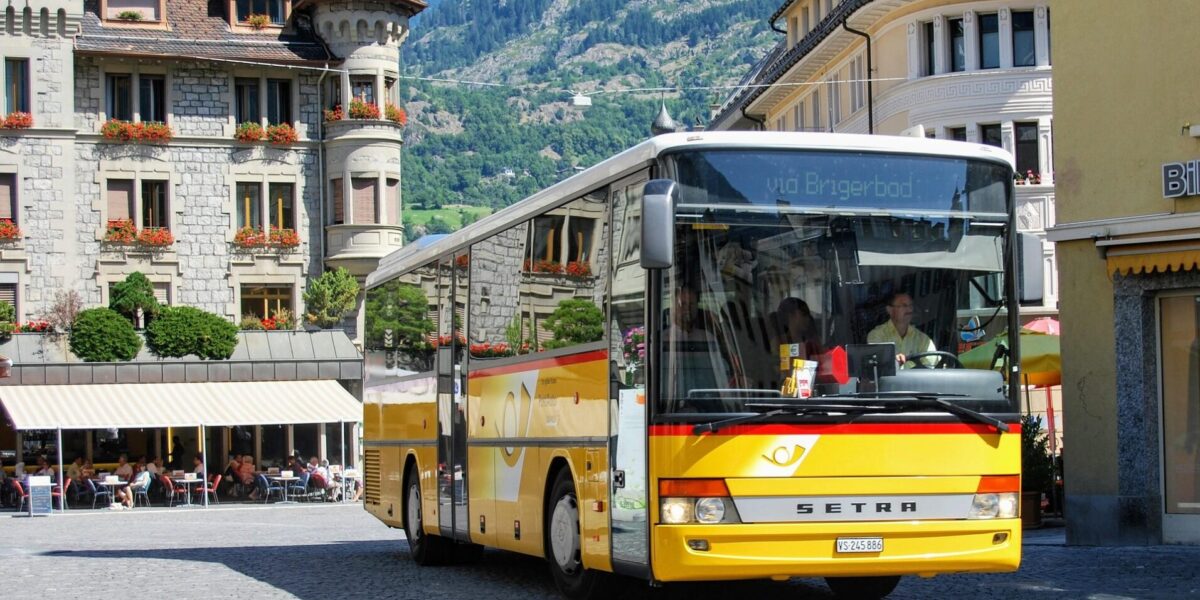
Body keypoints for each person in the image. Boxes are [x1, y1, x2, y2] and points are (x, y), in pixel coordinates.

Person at [867, 291, 936, 366]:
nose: (909, 309)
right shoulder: (877, 335)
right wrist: (893, 361)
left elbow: (930, 368)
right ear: (889, 310)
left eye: (911, 305)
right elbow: (879, 366)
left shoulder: (923, 339)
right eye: (904, 305)